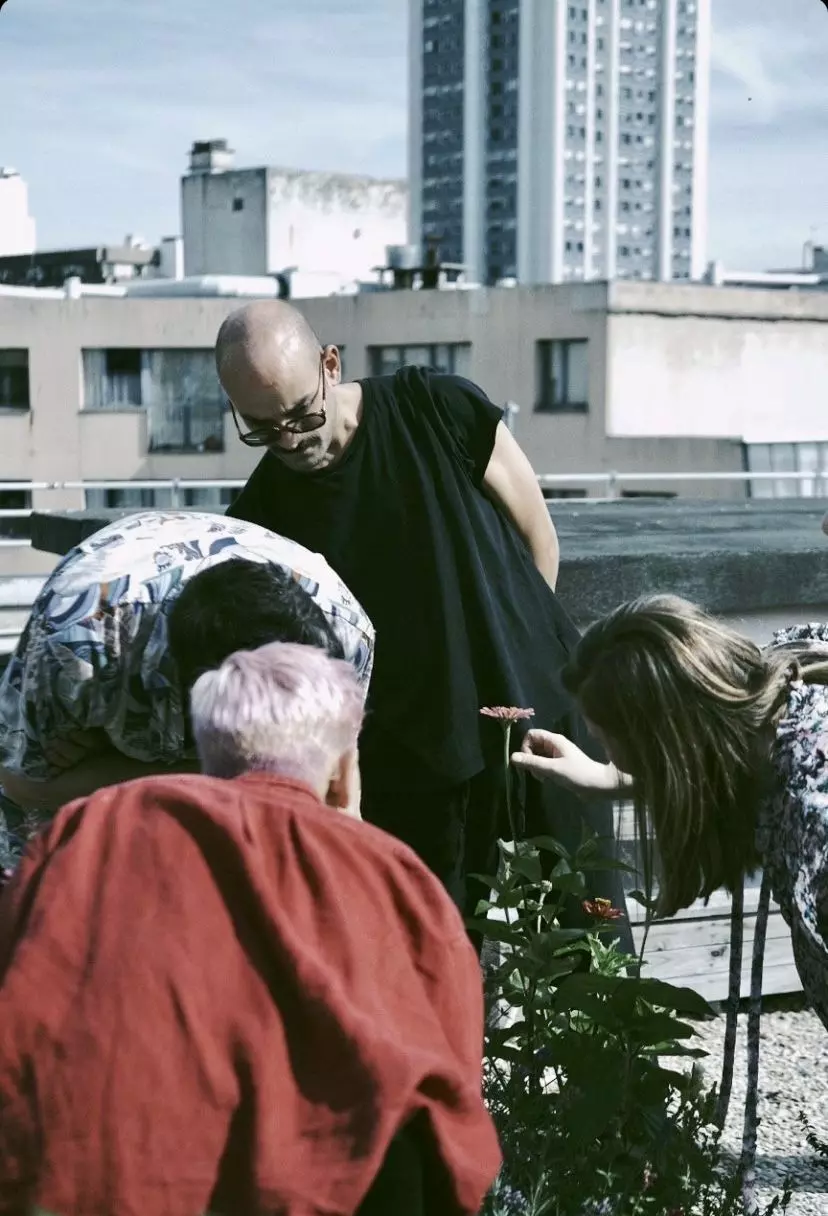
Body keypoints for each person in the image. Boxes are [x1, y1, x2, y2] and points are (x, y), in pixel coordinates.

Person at [0, 642, 500, 1216]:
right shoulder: (396, 876)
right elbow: (456, 1116)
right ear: (343, 768)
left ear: (207, 748)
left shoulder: (85, 829)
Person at [216, 301, 631, 944]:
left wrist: (515, 658)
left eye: (302, 414)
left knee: (588, 943)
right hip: (410, 772)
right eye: (263, 430)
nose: (291, 441)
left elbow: (538, 537)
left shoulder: (437, 407)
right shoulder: (260, 517)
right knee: (429, 962)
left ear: (331, 365)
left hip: (537, 725)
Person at [512, 594, 828, 1025]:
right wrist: (609, 779)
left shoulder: (817, 821)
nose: (613, 759)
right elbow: (709, 760)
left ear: (665, 747)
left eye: (610, 746)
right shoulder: (777, 689)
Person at [0, 508, 374, 867]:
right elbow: (23, 785)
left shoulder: (347, 637)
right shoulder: (77, 639)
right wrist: (249, 773)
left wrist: (112, 769)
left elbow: (333, 806)